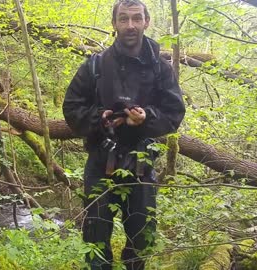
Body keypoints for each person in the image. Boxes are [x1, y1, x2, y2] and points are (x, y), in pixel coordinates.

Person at [63, 1, 185, 269]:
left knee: (141, 240)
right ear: (115, 23)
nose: (130, 25)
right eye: (124, 19)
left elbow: (174, 112)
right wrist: (100, 118)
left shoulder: (160, 69)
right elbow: (71, 108)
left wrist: (146, 118)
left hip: (142, 163)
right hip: (100, 160)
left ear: (146, 22)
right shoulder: (95, 66)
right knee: (95, 238)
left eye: (136, 19)